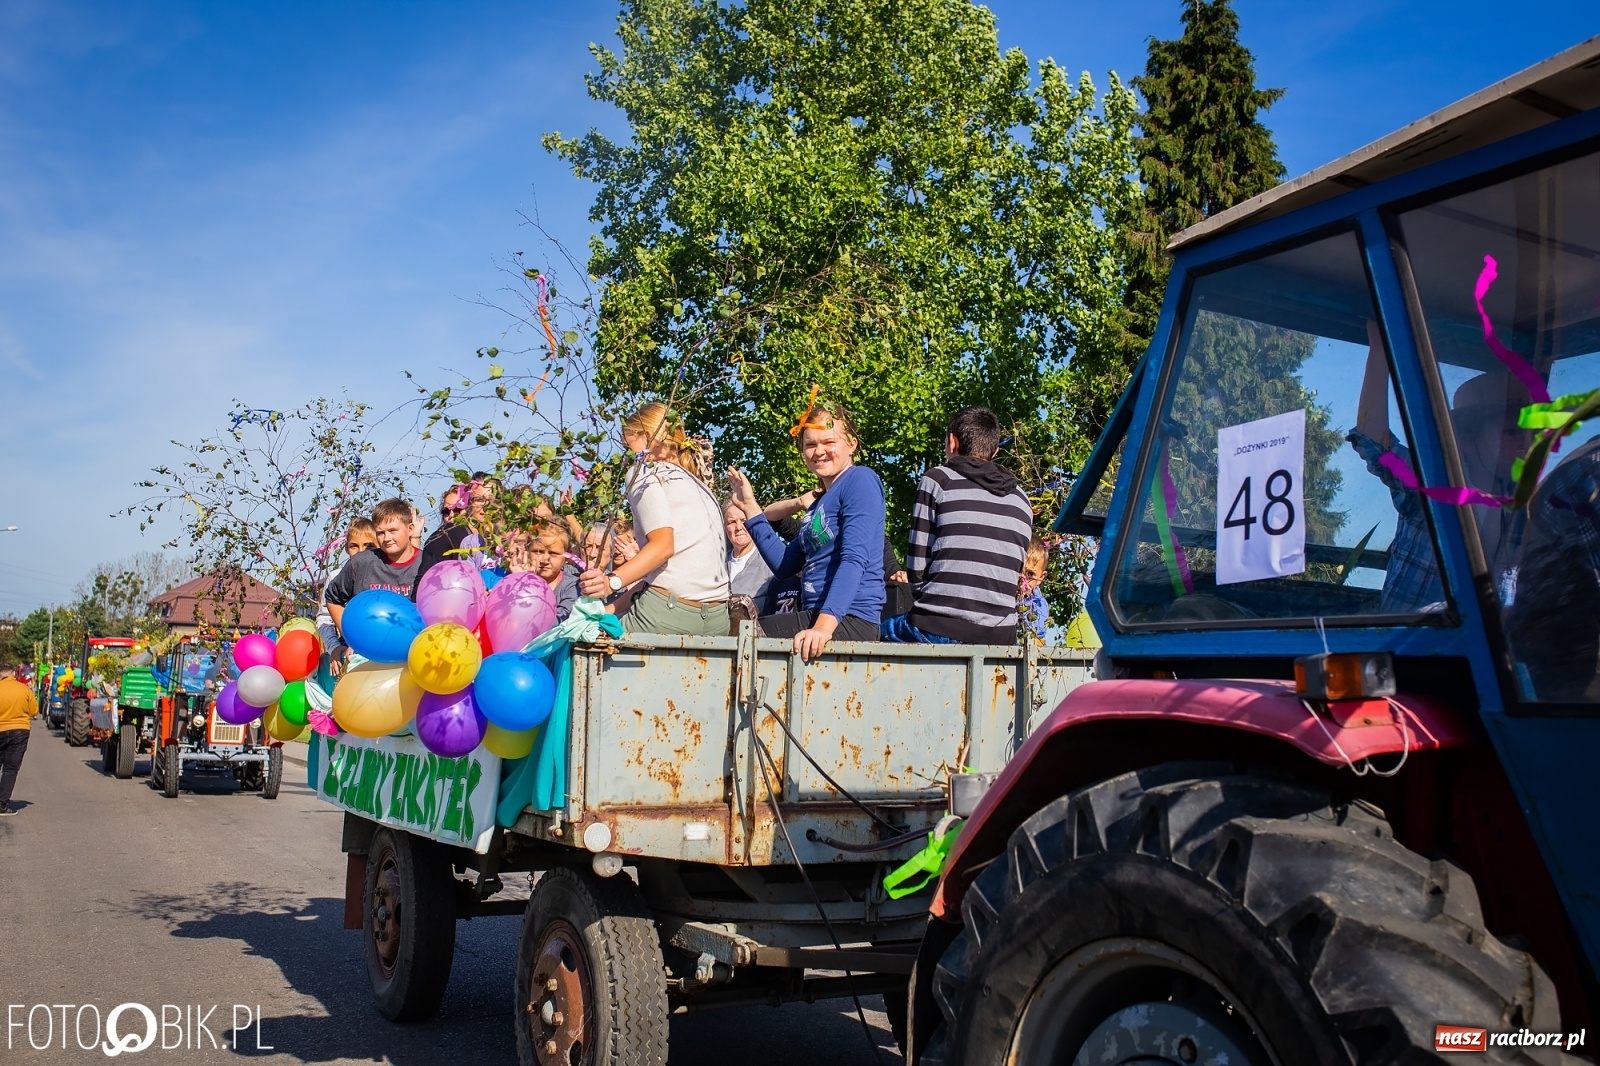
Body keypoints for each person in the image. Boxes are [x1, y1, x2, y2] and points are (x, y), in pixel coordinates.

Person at [728, 395, 886, 659]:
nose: (819, 451)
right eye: (810, 444)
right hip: (818, 616)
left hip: (849, 618)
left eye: (828, 442)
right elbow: (783, 566)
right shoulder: (817, 505)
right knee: (737, 629)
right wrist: (750, 504)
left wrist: (823, 628)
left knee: (746, 635)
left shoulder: (860, 481)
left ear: (851, 444)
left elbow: (854, 558)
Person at [882, 406, 1033, 644]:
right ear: (994, 451)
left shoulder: (938, 479)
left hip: (938, 626)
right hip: (1001, 636)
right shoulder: (1021, 498)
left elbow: (917, 570)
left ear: (952, 442)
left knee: (875, 630)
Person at [578, 404, 730, 635]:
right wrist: (610, 608)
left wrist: (611, 582)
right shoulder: (700, 485)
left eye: (628, 445)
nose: (628, 454)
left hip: (667, 617)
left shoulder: (645, 473)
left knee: (580, 644)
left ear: (647, 437)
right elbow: (665, 577)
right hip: (718, 622)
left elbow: (663, 548)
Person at [325, 498, 422, 666]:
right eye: (380, 532)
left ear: (410, 528)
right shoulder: (361, 563)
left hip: (412, 659)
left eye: (393, 530)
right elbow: (332, 598)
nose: (387, 538)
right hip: (366, 662)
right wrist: (352, 637)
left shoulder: (426, 564)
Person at [414, 476, 497, 595]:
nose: (452, 515)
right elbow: (422, 588)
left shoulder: (506, 537)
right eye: (446, 512)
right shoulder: (444, 536)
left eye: (458, 509)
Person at [317, 518, 377, 676]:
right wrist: (334, 647)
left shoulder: (384, 574)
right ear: (346, 548)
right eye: (354, 546)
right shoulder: (337, 576)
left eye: (368, 546)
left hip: (382, 646)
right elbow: (324, 618)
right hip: (349, 653)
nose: (361, 552)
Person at [0, 657, 39, 816]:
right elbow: (34, 711)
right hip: (20, 731)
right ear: (14, 674)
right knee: (10, 769)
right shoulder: (24, 689)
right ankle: (2, 805)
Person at [526, 522, 579, 623]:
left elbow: (560, 619)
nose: (544, 560)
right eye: (538, 552)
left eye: (553, 553)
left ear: (567, 557)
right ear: (527, 551)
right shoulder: (518, 581)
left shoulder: (572, 586)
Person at [725, 501, 775, 603]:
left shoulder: (769, 562)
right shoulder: (718, 564)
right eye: (732, 522)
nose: (738, 527)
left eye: (744, 520)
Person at [1019, 538, 1051, 645]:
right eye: (1018, 571)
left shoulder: (1039, 605)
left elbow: (1037, 639)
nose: (1022, 579)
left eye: (1029, 574)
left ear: (1041, 577)